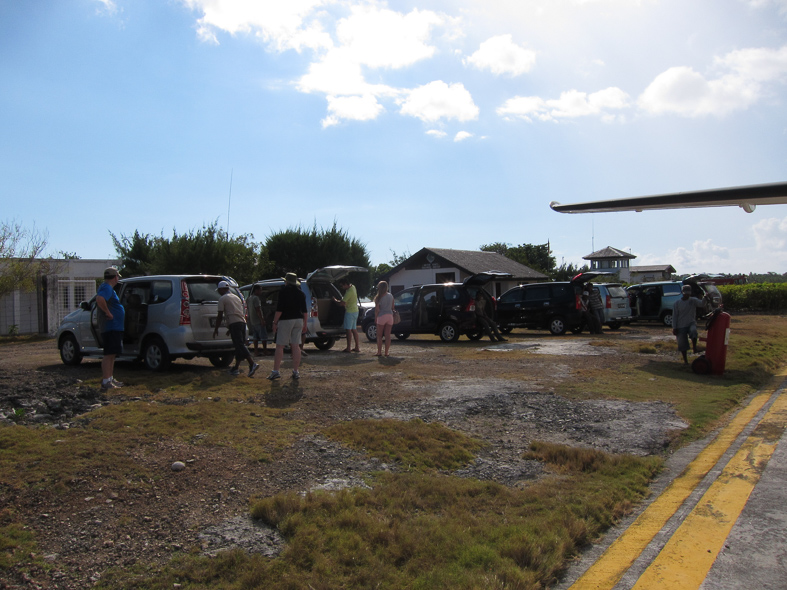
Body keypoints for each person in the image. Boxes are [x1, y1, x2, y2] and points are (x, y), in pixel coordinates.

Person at [214, 281, 259, 377]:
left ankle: (252, 363)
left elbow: (220, 315)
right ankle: (236, 368)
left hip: (235, 323)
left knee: (239, 345)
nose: (219, 292)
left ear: (222, 289)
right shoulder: (236, 297)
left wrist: (216, 328)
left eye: (219, 290)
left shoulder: (222, 299)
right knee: (239, 345)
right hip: (242, 322)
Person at [268, 273, 308, 380]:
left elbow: (279, 309)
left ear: (286, 281)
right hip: (299, 320)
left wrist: (274, 322)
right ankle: (296, 371)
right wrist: (305, 324)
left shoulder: (283, 292)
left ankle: (276, 371)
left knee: (280, 345)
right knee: (295, 345)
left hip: (286, 320)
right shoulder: (301, 293)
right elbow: (305, 311)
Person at [96, 266, 125, 391]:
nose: (118, 279)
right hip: (110, 326)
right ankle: (106, 380)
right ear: (115, 277)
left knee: (112, 354)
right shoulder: (106, 288)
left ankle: (110, 378)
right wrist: (108, 312)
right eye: (117, 276)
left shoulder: (108, 288)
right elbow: (100, 299)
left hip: (115, 326)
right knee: (108, 354)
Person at [672, 284, 707, 364]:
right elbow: (675, 316)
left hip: (691, 322)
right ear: (682, 293)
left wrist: (705, 297)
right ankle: (685, 361)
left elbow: (701, 304)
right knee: (682, 344)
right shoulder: (677, 303)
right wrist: (674, 327)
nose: (687, 295)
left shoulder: (693, 300)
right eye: (685, 293)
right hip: (680, 325)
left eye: (688, 293)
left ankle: (694, 348)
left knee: (693, 331)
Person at [335, 277, 361, 353]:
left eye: (342, 286)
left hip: (349, 312)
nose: (342, 288)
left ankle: (348, 347)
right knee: (354, 329)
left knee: (348, 330)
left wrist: (335, 301)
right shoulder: (353, 287)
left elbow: (342, 304)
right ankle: (357, 347)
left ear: (345, 284)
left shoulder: (348, 292)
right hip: (355, 311)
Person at [246, 285, 269, 356]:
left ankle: (256, 351)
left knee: (255, 337)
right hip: (258, 320)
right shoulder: (256, 298)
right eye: (260, 290)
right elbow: (258, 309)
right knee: (263, 336)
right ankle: (265, 350)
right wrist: (262, 320)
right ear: (256, 290)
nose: (261, 292)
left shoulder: (249, 298)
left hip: (252, 321)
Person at [374, 281, 395, 357]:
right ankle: (386, 352)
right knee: (387, 335)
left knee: (379, 336)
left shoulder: (379, 297)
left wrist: (376, 318)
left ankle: (379, 352)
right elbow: (393, 307)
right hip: (390, 316)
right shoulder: (391, 296)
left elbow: (377, 310)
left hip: (382, 316)